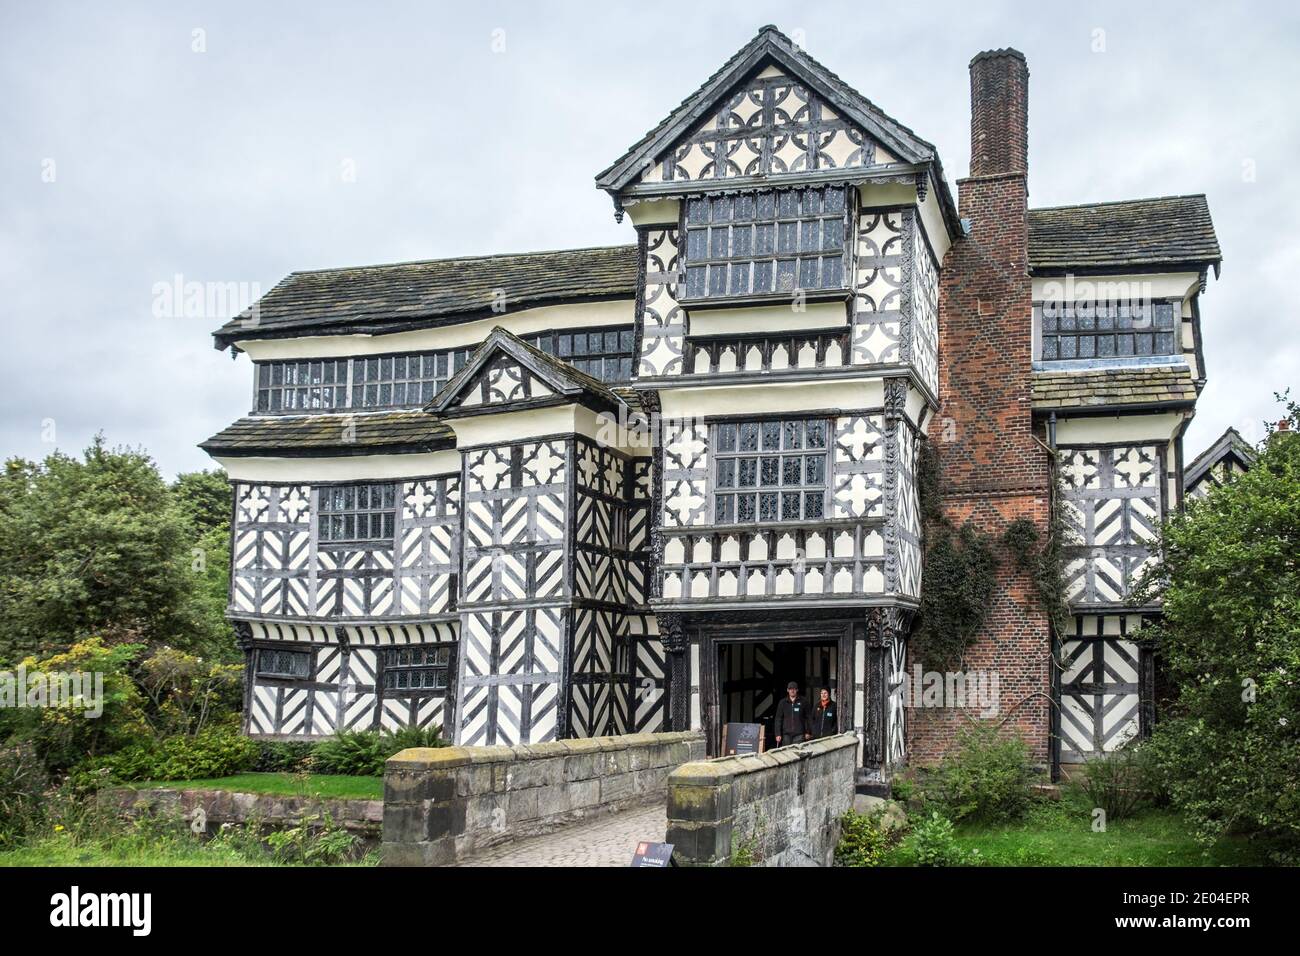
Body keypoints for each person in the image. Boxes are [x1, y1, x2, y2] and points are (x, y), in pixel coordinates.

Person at [773, 681, 811, 747]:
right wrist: (778, 734)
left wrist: (808, 732)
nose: (792, 691)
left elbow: (809, 718)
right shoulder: (782, 703)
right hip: (786, 735)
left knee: (798, 755)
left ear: (797, 690)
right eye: (790, 689)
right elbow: (778, 719)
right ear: (787, 690)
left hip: (799, 734)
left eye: (794, 689)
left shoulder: (804, 701)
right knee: (786, 755)